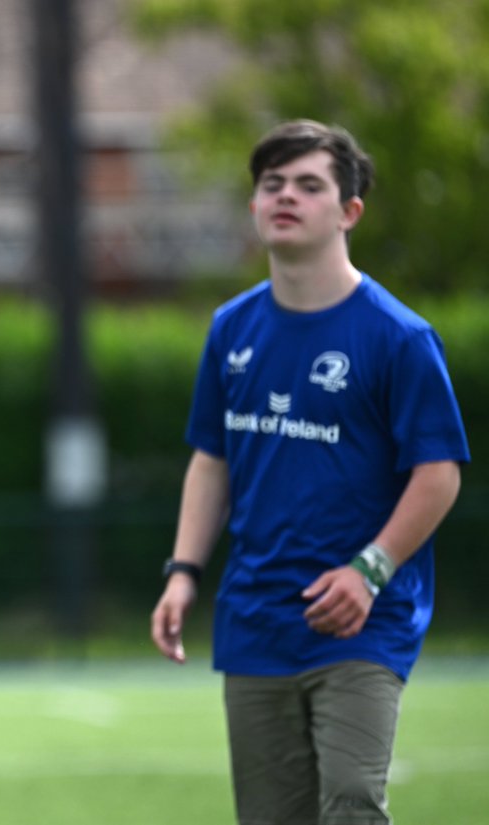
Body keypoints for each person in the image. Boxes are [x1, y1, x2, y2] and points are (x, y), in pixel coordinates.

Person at [150, 119, 469, 824]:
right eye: (272, 184)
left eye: (308, 184)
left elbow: (439, 472)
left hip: (362, 621)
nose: (285, 196)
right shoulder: (231, 328)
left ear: (349, 211)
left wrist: (370, 569)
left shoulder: (400, 337)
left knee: (352, 801)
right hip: (255, 617)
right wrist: (183, 571)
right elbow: (212, 458)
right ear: (255, 205)